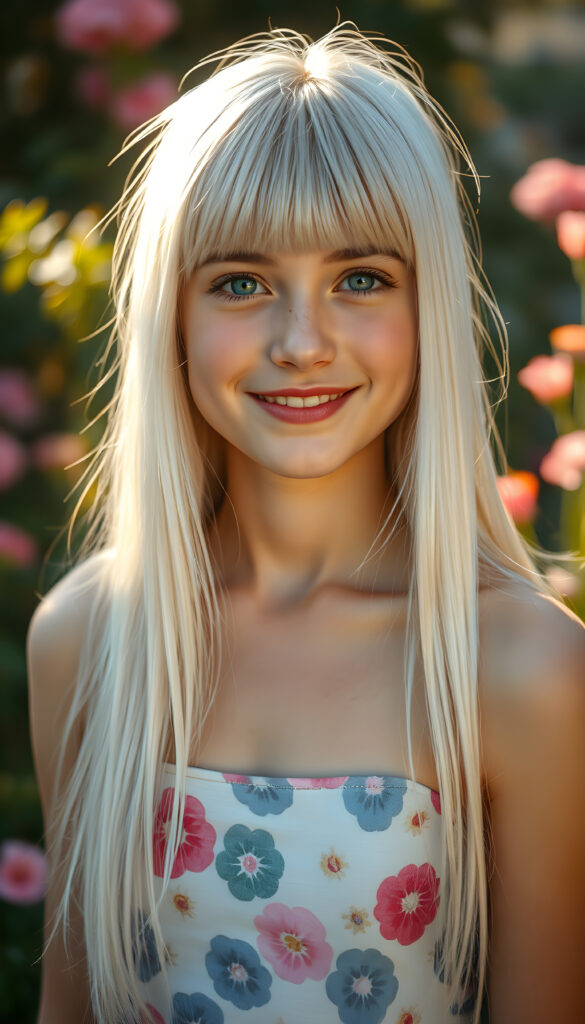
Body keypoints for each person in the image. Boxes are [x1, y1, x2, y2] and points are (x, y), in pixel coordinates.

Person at [26, 22, 585, 1024]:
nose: (300, 341)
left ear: (428, 307)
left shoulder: (520, 663)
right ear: (173, 317)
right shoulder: (88, 635)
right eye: (240, 282)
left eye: (360, 277)